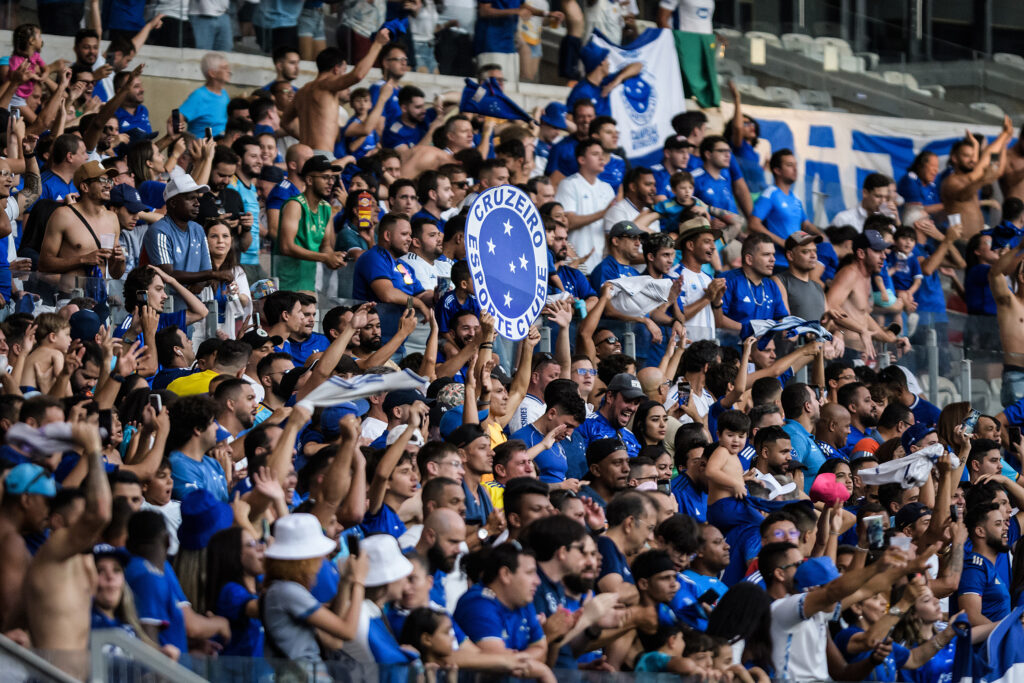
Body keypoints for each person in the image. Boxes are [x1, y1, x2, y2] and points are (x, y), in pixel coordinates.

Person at [453, 542, 556, 682]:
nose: (537, 581)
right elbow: (499, 663)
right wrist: (541, 670)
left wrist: (515, 660)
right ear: (506, 574)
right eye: (530, 573)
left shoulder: (523, 600)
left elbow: (541, 651)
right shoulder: (477, 604)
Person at [287, 38, 389, 156]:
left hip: (304, 155)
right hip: (322, 155)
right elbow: (358, 75)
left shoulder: (302, 92)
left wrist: (308, 139)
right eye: (344, 71)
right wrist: (378, 44)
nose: (344, 77)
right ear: (336, 69)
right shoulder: (326, 84)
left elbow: (285, 122)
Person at [275, 155, 346, 293]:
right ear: (309, 180)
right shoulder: (294, 205)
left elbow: (325, 247)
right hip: (286, 285)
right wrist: (325, 258)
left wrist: (334, 257)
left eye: (332, 178)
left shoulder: (326, 208)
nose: (331, 182)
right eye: (325, 177)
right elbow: (286, 247)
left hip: (309, 284)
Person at [553, 138, 616, 274]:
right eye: (595, 154)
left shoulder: (607, 188)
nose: (601, 158)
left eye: (602, 154)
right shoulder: (569, 184)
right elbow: (567, 221)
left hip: (602, 263)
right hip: (575, 260)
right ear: (581, 160)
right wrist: (604, 213)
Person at [750, 149, 821, 267]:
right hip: (777, 262)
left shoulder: (796, 198)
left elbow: (805, 225)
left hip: (796, 262)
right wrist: (783, 242)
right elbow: (753, 224)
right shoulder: (770, 194)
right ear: (777, 170)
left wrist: (822, 236)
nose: (795, 169)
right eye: (789, 165)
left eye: (795, 165)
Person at [179, 52, 232, 137]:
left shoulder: (224, 94)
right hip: (202, 147)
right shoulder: (199, 95)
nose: (229, 71)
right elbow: (175, 119)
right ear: (212, 73)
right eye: (224, 68)